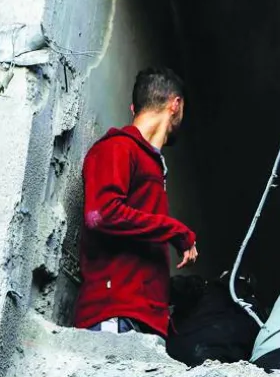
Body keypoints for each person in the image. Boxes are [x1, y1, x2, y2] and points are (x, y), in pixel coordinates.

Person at [73, 67, 198, 342]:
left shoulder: (151, 163)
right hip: (114, 316)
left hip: (145, 320)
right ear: (175, 105)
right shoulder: (117, 147)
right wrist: (175, 230)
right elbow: (102, 214)